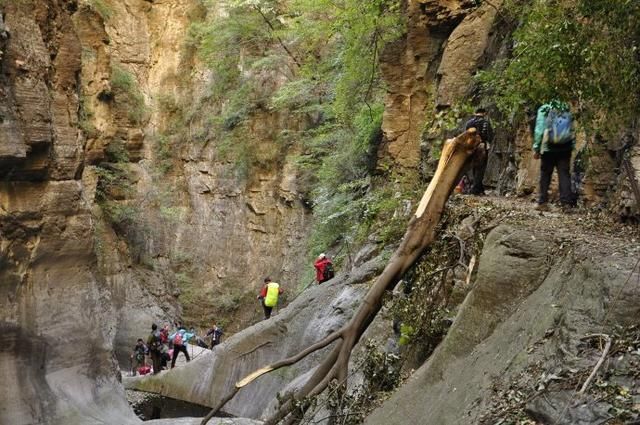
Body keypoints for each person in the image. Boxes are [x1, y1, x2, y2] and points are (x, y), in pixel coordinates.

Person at [532, 101, 575, 211]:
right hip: (565, 147)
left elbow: (539, 129)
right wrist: (572, 145)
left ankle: (542, 202)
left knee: (545, 174)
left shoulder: (545, 109)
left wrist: (537, 148)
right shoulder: (566, 107)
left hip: (549, 147)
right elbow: (572, 129)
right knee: (564, 174)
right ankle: (566, 204)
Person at [464, 108, 494, 195]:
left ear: (475, 113)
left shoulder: (469, 123)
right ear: (484, 113)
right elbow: (490, 136)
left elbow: (465, 135)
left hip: (471, 147)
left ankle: (479, 189)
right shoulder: (486, 123)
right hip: (482, 147)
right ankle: (475, 189)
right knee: (481, 168)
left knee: (474, 167)